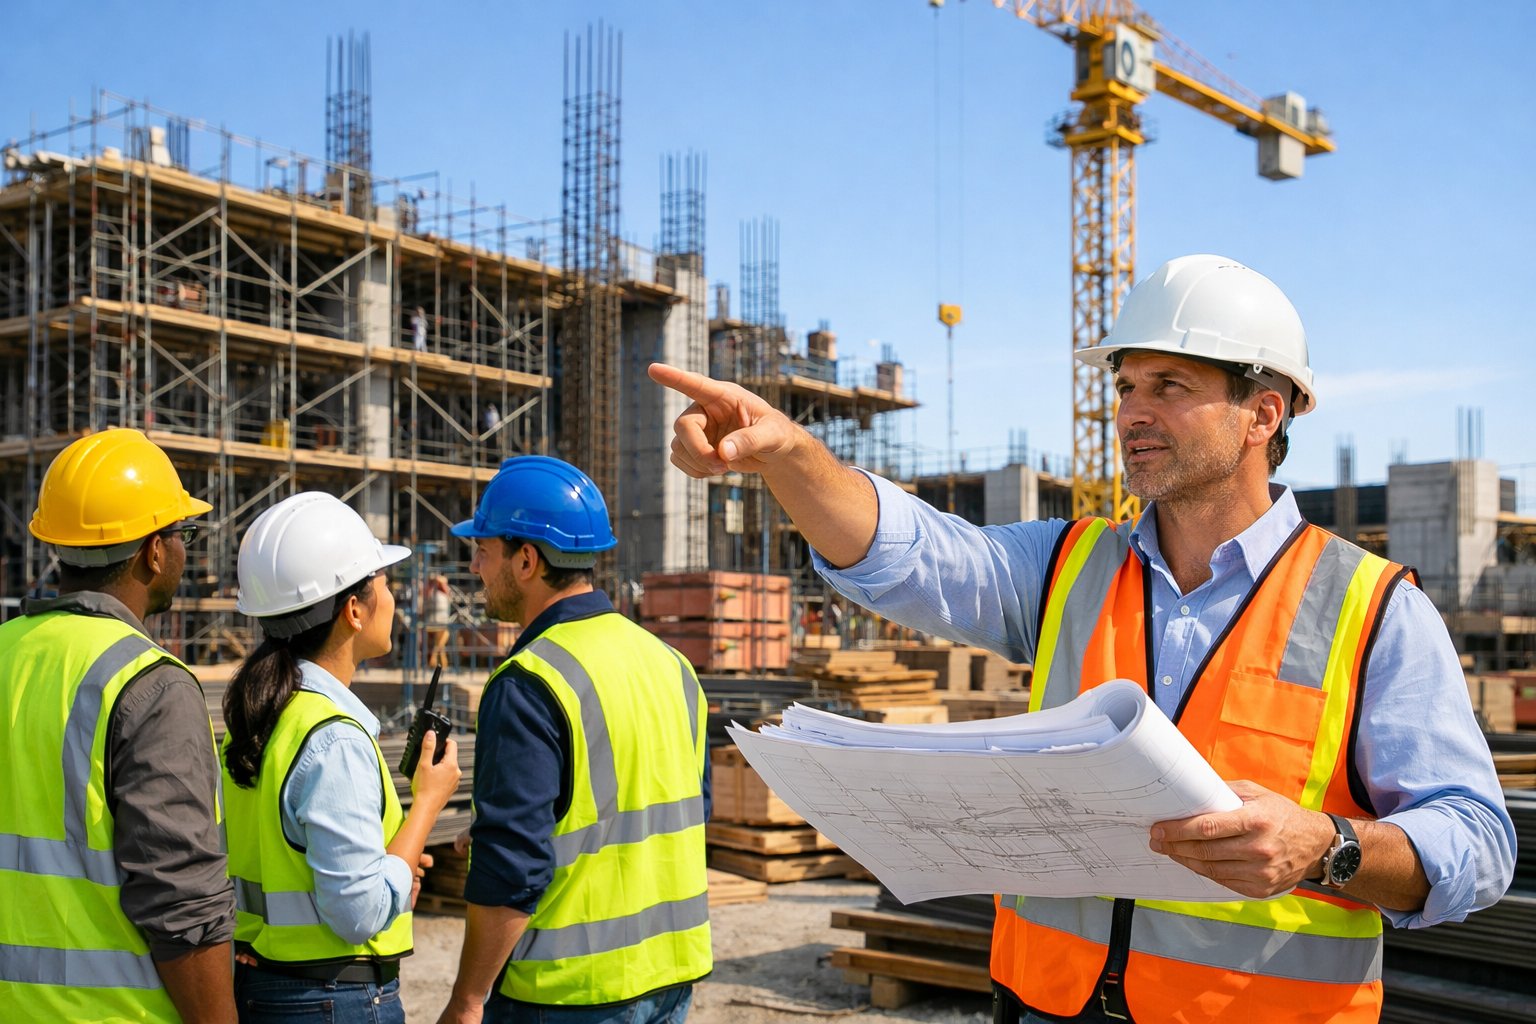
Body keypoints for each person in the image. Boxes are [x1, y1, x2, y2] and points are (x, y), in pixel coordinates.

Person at [650, 254, 1517, 1024]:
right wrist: (791, 457)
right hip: (1045, 1004)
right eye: (1125, 387)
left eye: (1168, 386)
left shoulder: (1372, 608)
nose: (1131, 412)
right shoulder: (1067, 565)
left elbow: (1477, 842)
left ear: (1263, 414)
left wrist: (1329, 847)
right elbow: (911, 556)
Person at [436, 455, 711, 1024]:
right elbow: (680, 809)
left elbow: (513, 869)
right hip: (668, 978)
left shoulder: (529, 681)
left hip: (567, 993)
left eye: (483, 550)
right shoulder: (671, 663)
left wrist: (467, 998)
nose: (474, 567)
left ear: (527, 560)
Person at [0, 428, 236, 1023]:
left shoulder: (5, 651)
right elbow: (183, 905)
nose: (184, 550)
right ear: (154, 552)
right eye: (181, 534)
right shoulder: (151, 686)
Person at [222, 492, 462, 1023]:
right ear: (354, 610)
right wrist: (427, 805)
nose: (394, 600)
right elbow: (359, 914)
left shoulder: (258, 717)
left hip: (264, 987)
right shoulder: (334, 739)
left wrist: (393, 866)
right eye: (385, 585)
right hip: (333, 1000)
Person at [425, 573, 453, 670]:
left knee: (440, 643)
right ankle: (436, 660)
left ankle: (434, 661)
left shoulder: (439, 592)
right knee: (441, 643)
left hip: (438, 623)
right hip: (434, 623)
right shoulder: (433, 593)